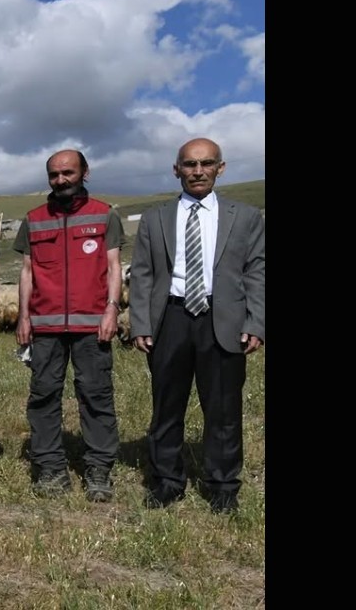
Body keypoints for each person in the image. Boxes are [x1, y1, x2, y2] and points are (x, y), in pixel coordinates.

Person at [129, 138, 264, 514]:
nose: (198, 171)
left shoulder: (246, 217)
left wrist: (257, 321)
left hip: (223, 320)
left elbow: (257, 273)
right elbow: (141, 274)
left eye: (206, 164)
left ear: (221, 168)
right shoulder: (155, 218)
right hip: (169, 318)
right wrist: (140, 322)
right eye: (189, 164)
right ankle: (167, 481)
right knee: (166, 407)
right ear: (177, 170)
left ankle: (222, 486)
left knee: (223, 409)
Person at [14, 150, 122, 502]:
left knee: (96, 395)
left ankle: (98, 468)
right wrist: (23, 317)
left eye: (68, 173)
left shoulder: (104, 215)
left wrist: (111, 310)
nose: (61, 180)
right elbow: (27, 272)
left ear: (84, 173)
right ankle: (50, 467)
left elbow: (114, 266)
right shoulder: (33, 219)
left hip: (92, 324)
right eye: (54, 174)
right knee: (43, 396)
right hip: (44, 327)